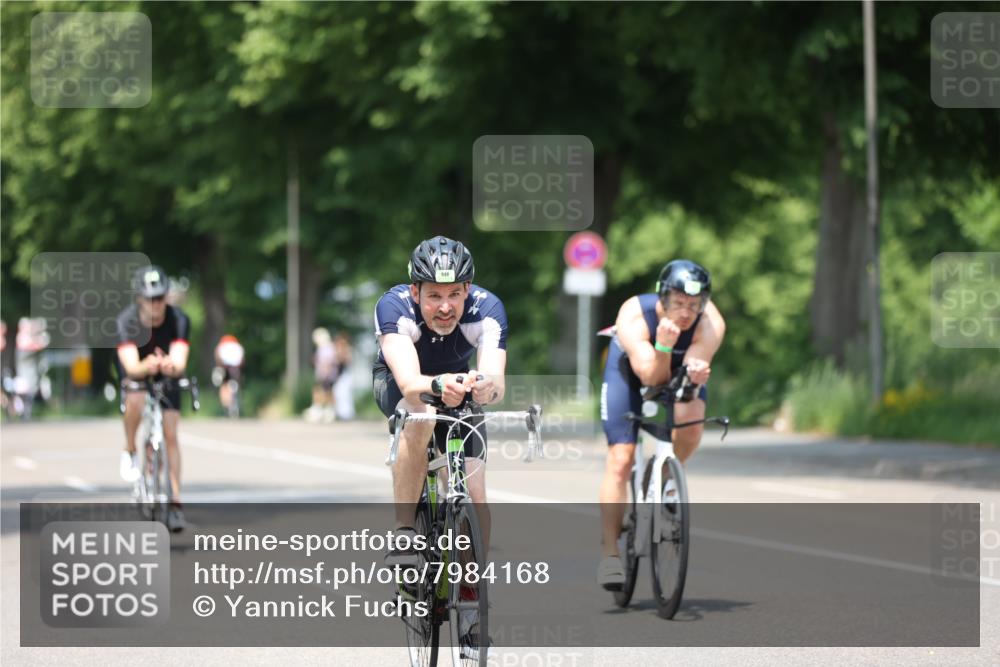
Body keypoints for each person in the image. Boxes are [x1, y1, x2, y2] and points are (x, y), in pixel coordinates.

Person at [373, 236, 507, 651]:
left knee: (476, 493)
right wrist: (434, 384)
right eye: (433, 296)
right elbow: (410, 381)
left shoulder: (489, 309)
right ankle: (405, 533)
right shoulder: (393, 306)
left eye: (454, 294)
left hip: (458, 388)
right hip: (403, 383)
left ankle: (470, 602)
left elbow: (495, 380)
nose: (445, 306)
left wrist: (484, 389)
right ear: (415, 292)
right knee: (423, 413)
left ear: (468, 290)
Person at [596, 259, 726, 589]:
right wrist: (665, 345)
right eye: (679, 303)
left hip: (678, 370)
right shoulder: (635, 315)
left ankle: (669, 477)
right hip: (630, 372)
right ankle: (610, 553)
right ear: (663, 299)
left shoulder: (711, 323)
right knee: (621, 458)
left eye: (694, 305)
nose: (686, 313)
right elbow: (651, 376)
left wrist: (696, 372)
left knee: (692, 424)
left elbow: (691, 371)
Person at [115, 265, 191, 532]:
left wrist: (171, 365)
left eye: (160, 298)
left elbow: (180, 360)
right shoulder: (126, 322)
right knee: (135, 400)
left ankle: (176, 503)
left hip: (164, 372)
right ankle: (130, 449)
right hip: (138, 368)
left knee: (171, 433)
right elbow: (132, 366)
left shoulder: (179, 319)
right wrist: (147, 365)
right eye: (150, 299)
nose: (156, 304)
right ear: (139, 299)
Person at [309, 327, 337, 423]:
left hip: (325, 375)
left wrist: (325, 373)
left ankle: (322, 411)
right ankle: (326, 412)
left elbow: (328, 362)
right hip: (326, 374)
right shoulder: (326, 347)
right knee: (327, 393)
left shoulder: (326, 347)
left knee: (322, 392)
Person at [213, 334, 245, 415]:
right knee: (234, 384)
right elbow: (242, 359)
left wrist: (219, 365)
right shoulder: (237, 346)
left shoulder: (222, 346)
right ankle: (233, 402)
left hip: (224, 366)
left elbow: (217, 355)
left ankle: (226, 404)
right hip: (235, 368)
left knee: (224, 386)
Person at [332, 332, 355, 420]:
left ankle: (346, 413)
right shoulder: (339, 349)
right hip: (340, 375)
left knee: (344, 393)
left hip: (345, 374)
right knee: (338, 393)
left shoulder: (347, 350)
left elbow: (346, 361)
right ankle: (341, 412)